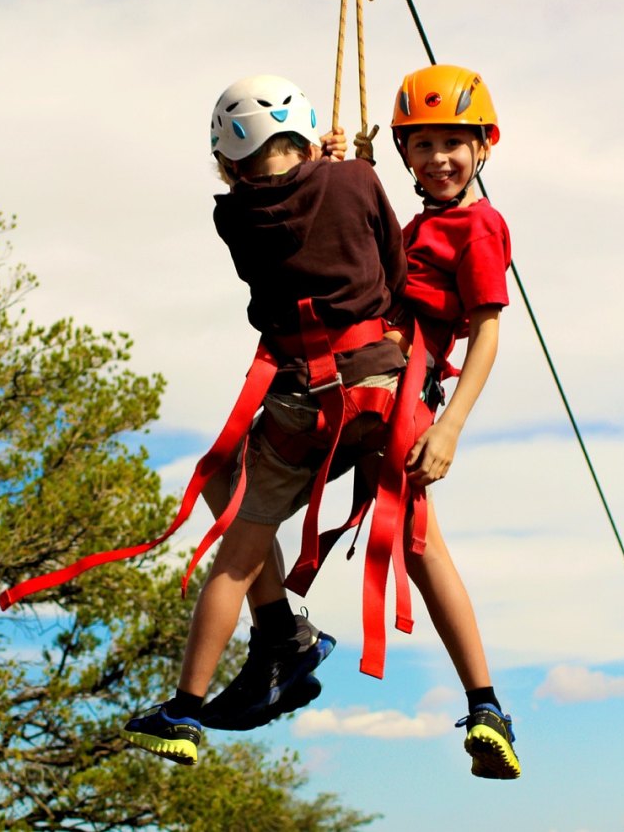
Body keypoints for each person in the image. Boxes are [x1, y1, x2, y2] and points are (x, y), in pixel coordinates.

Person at [204, 64, 522, 781]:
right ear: (404, 153)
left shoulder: (477, 226)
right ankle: (288, 642)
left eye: (453, 143)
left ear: (483, 147)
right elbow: (369, 255)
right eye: (422, 145)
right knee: (404, 542)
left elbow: (488, 332)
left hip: (398, 400)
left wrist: (450, 429)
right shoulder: (426, 222)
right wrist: (343, 174)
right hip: (367, 388)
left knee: (415, 543)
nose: (438, 158)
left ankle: (480, 705)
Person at [121, 73, 409, 765]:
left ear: (228, 159)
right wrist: (340, 163)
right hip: (381, 386)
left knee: (238, 541)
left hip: (305, 399)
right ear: (305, 134)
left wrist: (326, 163)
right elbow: (391, 267)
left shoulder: (233, 216)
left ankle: (189, 707)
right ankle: (282, 633)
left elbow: (290, 198)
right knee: (222, 476)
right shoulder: (355, 180)